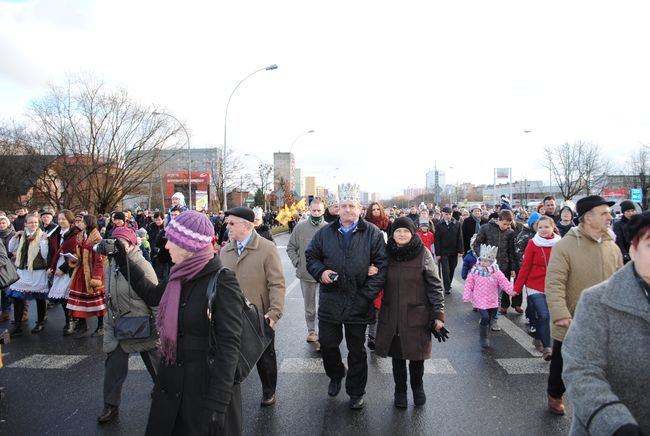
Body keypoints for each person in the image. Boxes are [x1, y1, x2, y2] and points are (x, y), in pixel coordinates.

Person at [106, 210, 243, 435]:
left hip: (203, 392)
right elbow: (151, 295)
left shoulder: (223, 281)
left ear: (189, 245)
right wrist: (122, 258)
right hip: (171, 384)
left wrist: (218, 405)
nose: (166, 246)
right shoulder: (179, 276)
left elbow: (229, 348)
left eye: (172, 240)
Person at [562, 211, 650, 435]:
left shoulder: (610, 245)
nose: (608, 217)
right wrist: (615, 424)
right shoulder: (597, 302)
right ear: (633, 248)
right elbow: (581, 369)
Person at [306, 183, 387, 410]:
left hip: (359, 302)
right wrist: (321, 272)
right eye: (344, 206)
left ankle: (356, 391)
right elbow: (311, 256)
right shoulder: (325, 233)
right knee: (329, 346)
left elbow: (381, 267)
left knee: (357, 351)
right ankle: (335, 374)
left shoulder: (372, 233)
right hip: (331, 300)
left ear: (360, 208)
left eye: (352, 205)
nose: (348, 210)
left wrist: (366, 296)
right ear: (337, 209)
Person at [545, 195, 623, 415]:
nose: (609, 217)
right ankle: (554, 393)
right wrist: (560, 313)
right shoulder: (565, 246)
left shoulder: (612, 246)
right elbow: (554, 282)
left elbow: (621, 280)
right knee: (561, 364)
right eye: (604, 213)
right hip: (572, 320)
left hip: (605, 320)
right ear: (588, 218)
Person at [375, 217, 445, 408]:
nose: (402, 234)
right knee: (397, 358)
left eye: (406, 231)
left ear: (412, 233)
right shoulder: (386, 253)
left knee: (416, 357)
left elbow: (435, 285)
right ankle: (400, 390)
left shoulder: (423, 253)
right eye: (398, 231)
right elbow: (378, 278)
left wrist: (438, 314)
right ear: (393, 233)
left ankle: (417, 387)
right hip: (393, 315)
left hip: (417, 315)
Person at [220, 207, 285, 407]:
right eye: (227, 223)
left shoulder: (267, 248)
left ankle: (268, 391)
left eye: (231, 223)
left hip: (259, 316)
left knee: (265, 358)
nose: (227, 226)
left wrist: (274, 313)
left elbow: (276, 283)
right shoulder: (225, 250)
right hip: (230, 316)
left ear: (246, 226)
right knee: (229, 356)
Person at [97, 227, 160, 424]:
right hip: (117, 324)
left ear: (132, 244)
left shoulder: (143, 264)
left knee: (156, 364)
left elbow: (155, 298)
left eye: (120, 243)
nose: (114, 246)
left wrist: (160, 325)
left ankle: (165, 392)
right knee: (114, 365)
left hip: (142, 324)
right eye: (113, 241)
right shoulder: (111, 263)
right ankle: (110, 405)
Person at [513, 216, 561, 360]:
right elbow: (526, 266)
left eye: (546, 227)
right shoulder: (533, 243)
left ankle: (539, 337)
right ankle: (548, 348)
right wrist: (517, 287)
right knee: (543, 314)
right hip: (535, 285)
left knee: (550, 317)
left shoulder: (560, 243)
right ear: (536, 229)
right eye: (540, 227)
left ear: (553, 228)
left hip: (554, 285)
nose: (543, 230)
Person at [286, 199, 328, 350]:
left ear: (323, 211)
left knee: (324, 306)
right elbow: (291, 248)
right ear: (309, 210)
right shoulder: (300, 227)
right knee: (309, 306)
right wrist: (298, 262)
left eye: (319, 210)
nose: (316, 213)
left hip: (324, 276)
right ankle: (312, 331)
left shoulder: (328, 228)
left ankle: (324, 334)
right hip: (306, 275)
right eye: (314, 210)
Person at [463, 244, 515, 348]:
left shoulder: (496, 272)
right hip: (480, 299)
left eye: (486, 261)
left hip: (493, 299)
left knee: (491, 319)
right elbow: (469, 284)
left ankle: (487, 335)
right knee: (485, 317)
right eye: (481, 260)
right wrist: (467, 295)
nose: (483, 263)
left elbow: (504, 282)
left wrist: (511, 291)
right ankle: (483, 337)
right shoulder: (475, 272)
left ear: (491, 262)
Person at [7, 214, 50, 336]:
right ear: (25, 224)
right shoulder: (22, 235)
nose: (34, 225)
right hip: (23, 271)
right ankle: (18, 324)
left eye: (36, 222)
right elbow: (11, 248)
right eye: (31, 222)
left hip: (38, 271)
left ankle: (40, 322)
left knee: (40, 297)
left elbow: (45, 255)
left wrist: (43, 242)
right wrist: (15, 237)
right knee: (17, 297)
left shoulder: (42, 235)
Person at [473, 210, 520, 319]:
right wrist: (482, 258)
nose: (506, 227)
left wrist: (512, 268)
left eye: (508, 225)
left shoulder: (510, 232)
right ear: (498, 220)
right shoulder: (486, 228)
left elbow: (511, 251)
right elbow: (477, 243)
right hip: (486, 267)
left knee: (498, 295)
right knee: (485, 290)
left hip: (502, 267)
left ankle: (494, 318)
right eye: (504, 224)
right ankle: (481, 306)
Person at [67, 214, 106, 338]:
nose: (79, 224)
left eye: (81, 222)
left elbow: (100, 260)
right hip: (80, 273)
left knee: (98, 302)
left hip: (93, 274)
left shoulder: (97, 239)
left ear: (88, 223)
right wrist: (73, 258)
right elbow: (79, 254)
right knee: (79, 301)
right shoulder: (81, 236)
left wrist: (96, 278)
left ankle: (101, 326)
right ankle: (82, 325)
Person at [47, 210, 80, 335]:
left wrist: (63, 268)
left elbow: (76, 255)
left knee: (68, 297)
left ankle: (71, 321)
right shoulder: (56, 233)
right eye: (59, 219)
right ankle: (71, 320)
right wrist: (51, 267)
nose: (61, 221)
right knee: (62, 298)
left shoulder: (75, 234)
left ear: (70, 220)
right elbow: (52, 252)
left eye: (64, 219)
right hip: (58, 265)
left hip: (69, 268)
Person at [434, 207, 464, 294]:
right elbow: (437, 240)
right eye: (446, 214)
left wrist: (460, 250)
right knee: (445, 270)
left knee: (452, 268)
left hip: (454, 251)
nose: (448, 216)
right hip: (443, 252)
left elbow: (460, 238)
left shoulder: (457, 224)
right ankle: (447, 287)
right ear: (442, 214)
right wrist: (438, 253)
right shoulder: (439, 225)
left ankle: (449, 283)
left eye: (449, 214)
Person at [0, 216, 15, 321]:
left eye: (3, 223)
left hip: (8, 266)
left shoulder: (13, 234)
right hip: (4, 263)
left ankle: (6, 311)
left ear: (7, 224)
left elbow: (5, 255)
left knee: (6, 291)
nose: (1, 225)